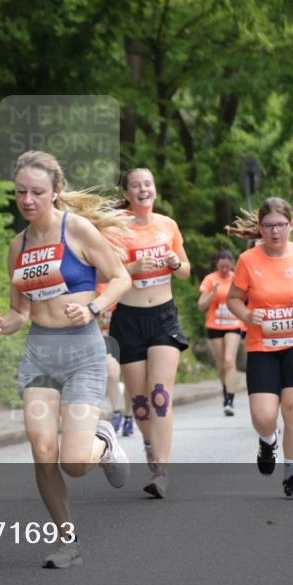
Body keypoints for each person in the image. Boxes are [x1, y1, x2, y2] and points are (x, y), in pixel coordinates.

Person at [0, 150, 132, 569]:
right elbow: (20, 312)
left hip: (83, 350)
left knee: (74, 463)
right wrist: (0, 325)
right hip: (40, 353)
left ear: (56, 192)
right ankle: (69, 541)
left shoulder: (78, 230)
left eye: (37, 192)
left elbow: (121, 278)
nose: (27, 200)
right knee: (42, 449)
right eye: (21, 192)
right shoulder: (18, 246)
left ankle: (102, 444)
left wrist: (94, 308)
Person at [226, 198, 293, 499]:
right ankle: (268, 439)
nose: (275, 232)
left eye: (280, 225)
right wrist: (247, 315)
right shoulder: (248, 260)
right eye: (269, 226)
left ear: (291, 225)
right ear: (260, 228)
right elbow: (234, 298)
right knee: (263, 415)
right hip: (261, 345)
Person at [107, 167, 191, 499]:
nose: (144, 189)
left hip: (163, 317)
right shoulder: (115, 230)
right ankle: (148, 442)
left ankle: (161, 472)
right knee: (140, 403)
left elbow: (185, 271)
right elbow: (105, 272)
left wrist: (174, 263)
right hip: (128, 319)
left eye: (149, 184)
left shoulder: (168, 225)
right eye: (136, 186)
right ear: (126, 194)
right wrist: (130, 269)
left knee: (160, 395)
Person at [198, 249, 246, 416]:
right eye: (221, 266)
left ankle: (230, 400)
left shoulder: (237, 278)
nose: (224, 269)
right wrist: (213, 293)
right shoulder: (210, 279)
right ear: (216, 265)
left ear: (231, 264)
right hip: (215, 326)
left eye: (227, 266)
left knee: (229, 360)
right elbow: (201, 305)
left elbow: (246, 299)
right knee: (221, 364)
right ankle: (226, 390)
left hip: (233, 325)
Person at [96, 283, 127, 432]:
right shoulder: (98, 283)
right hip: (108, 335)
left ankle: (130, 415)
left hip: (131, 334)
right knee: (111, 373)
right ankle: (117, 411)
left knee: (132, 379)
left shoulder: (129, 278)